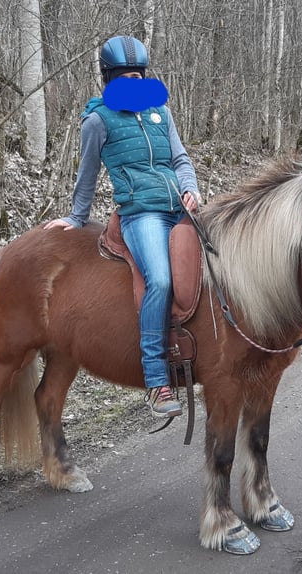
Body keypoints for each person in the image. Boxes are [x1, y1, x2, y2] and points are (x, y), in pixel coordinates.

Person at [44, 35, 201, 419]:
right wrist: (76, 218)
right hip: (140, 215)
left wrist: (190, 188)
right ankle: (156, 381)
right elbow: (87, 174)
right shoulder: (98, 120)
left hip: (178, 211)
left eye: (137, 76)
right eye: (124, 78)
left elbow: (180, 160)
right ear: (109, 79)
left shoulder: (161, 112)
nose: (132, 83)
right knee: (160, 281)